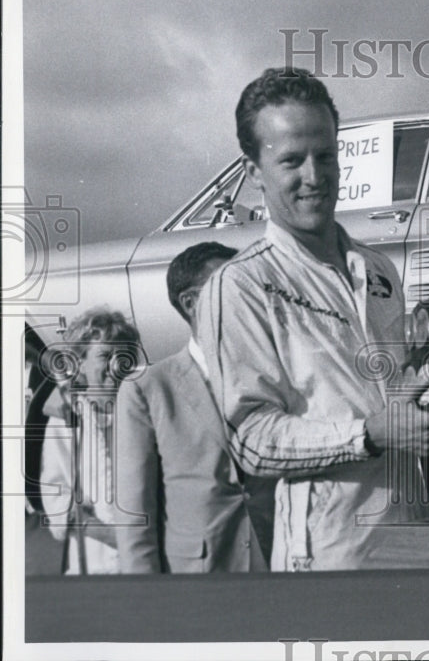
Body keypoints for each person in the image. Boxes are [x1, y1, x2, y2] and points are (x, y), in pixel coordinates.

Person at [196, 67, 429, 571]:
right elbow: (250, 440)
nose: (314, 177)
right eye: (291, 161)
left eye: (325, 156)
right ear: (253, 171)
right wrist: (367, 434)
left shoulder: (381, 270)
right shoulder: (239, 287)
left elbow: (395, 405)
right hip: (329, 558)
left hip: (417, 543)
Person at [115, 242, 275, 573]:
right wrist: (144, 595)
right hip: (195, 579)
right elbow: (135, 511)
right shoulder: (148, 389)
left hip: (277, 565)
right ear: (191, 303)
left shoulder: (275, 377)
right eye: (234, 287)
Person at [39, 308, 142, 574]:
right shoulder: (65, 420)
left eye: (124, 356)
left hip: (146, 559)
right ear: (81, 363)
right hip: (93, 565)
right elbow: (55, 494)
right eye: (105, 355)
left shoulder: (143, 414)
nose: (116, 365)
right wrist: (112, 537)